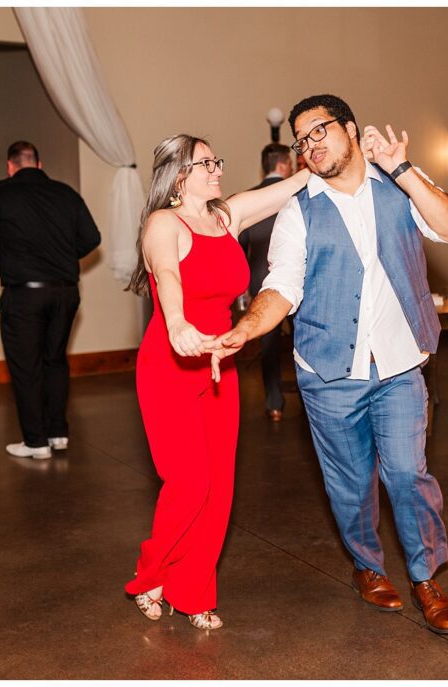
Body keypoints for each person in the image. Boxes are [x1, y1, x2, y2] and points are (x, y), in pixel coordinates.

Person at [213, 94, 448, 634]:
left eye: (319, 131)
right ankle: (368, 566)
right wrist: (246, 328)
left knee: (407, 474)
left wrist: (402, 168)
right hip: (329, 372)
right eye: (301, 140)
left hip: (399, 365)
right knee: (349, 484)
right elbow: (281, 284)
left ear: (351, 128)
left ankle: (425, 577)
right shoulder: (297, 209)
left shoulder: (399, 183)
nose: (309, 146)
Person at [124, 134, 310, 631]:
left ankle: (193, 590)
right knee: (189, 482)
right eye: (206, 163)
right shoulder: (165, 222)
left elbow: (292, 184)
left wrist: (340, 155)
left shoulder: (225, 217)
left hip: (218, 364)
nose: (217, 169)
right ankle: (151, 574)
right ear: (179, 175)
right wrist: (178, 322)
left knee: (220, 486)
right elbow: (167, 272)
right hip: (170, 361)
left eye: (216, 161)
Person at [0, 141, 102, 460]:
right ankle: (58, 434)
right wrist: (64, 258)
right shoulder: (65, 193)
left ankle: (36, 442)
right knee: (55, 360)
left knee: (26, 368)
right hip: (65, 291)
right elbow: (92, 238)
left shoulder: (0, 192)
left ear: (10, 167)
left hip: (24, 293)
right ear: (39, 165)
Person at [238, 142, 295, 421]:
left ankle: (274, 403)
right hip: (301, 281)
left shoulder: (246, 200)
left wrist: (243, 291)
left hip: (261, 282)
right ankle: (310, 398)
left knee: (269, 346)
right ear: (284, 165)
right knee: (303, 341)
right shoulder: (298, 194)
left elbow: (239, 250)